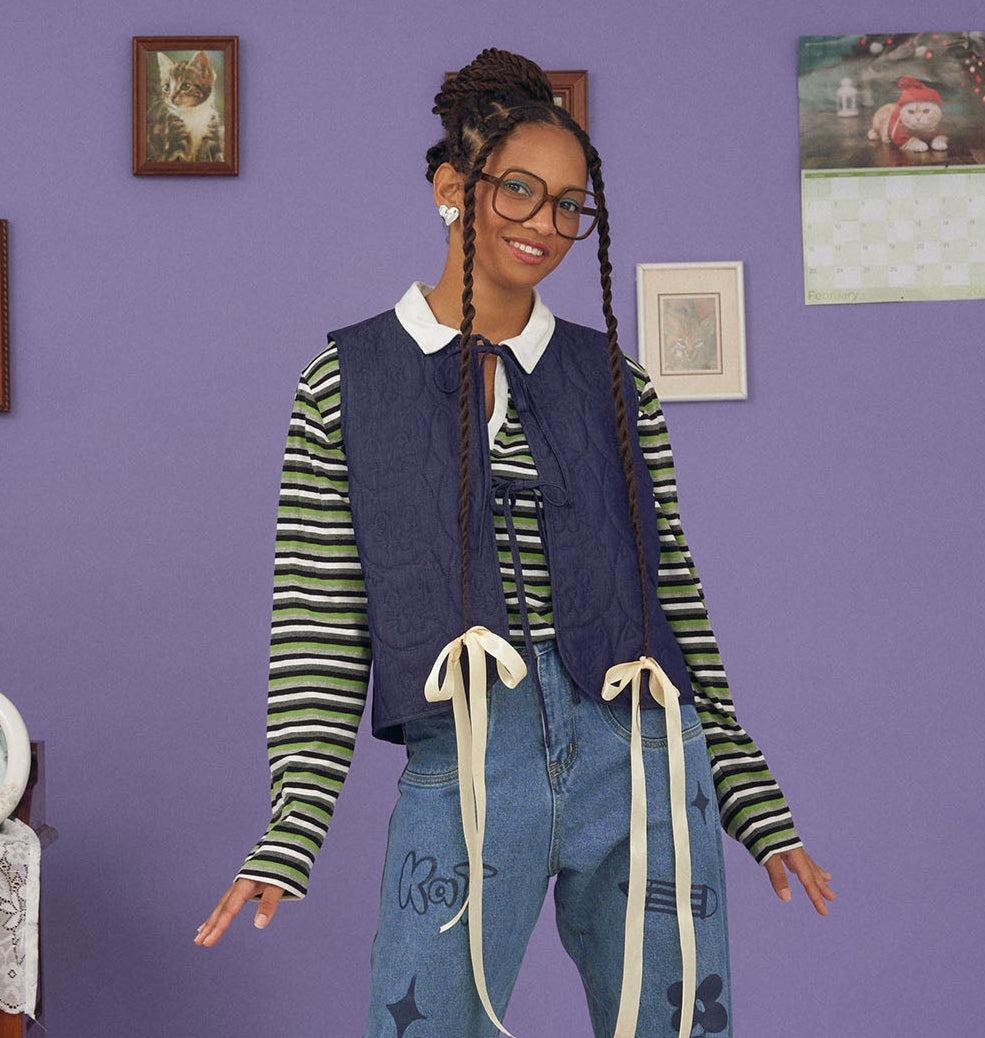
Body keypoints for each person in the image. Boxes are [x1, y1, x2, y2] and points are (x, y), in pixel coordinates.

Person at [194, 47, 835, 1038]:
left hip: (641, 756)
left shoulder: (617, 384)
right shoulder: (345, 381)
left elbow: (674, 599)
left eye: (571, 206)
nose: (546, 224)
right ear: (453, 188)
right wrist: (293, 829)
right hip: (466, 756)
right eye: (521, 191)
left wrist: (751, 797)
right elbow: (320, 619)